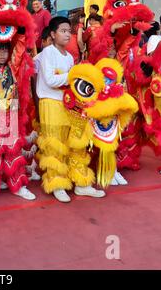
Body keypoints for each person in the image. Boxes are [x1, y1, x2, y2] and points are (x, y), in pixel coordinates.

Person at [35, 16, 105, 202]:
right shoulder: (48, 52)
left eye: (69, 31)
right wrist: (75, 76)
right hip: (50, 103)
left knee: (75, 144)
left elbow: (71, 82)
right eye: (63, 31)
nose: (67, 35)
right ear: (53, 34)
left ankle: (81, 183)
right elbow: (50, 80)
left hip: (69, 105)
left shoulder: (69, 56)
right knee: (55, 145)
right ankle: (57, 184)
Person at [0, 38, 37, 210]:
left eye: (5, 51)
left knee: (13, 151)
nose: (2, 54)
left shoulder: (13, 67)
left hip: (11, 115)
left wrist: (22, 31)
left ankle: (18, 185)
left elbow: (19, 48)